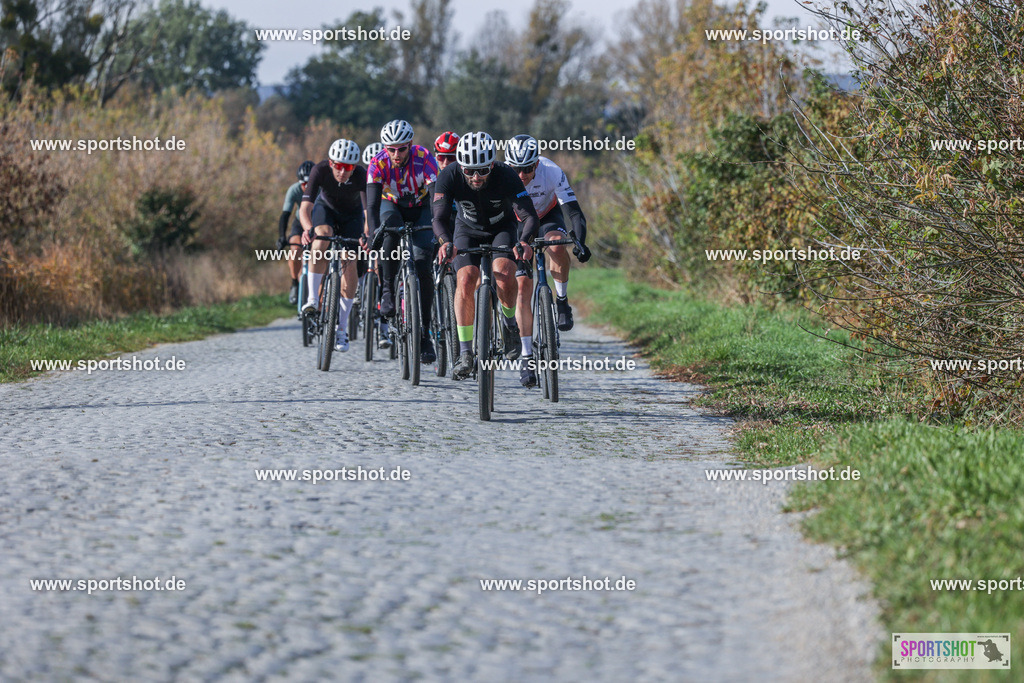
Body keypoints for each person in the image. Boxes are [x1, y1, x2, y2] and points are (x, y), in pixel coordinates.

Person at [432, 131, 540, 381]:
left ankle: (510, 324)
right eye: (469, 171)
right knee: (467, 279)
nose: (476, 177)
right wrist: (445, 242)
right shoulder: (449, 175)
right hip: (465, 230)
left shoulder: (506, 175)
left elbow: (529, 216)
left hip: (500, 229)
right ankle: (466, 351)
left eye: (482, 170)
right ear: (461, 166)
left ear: (492, 164)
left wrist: (524, 241)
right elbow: (438, 218)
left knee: (503, 273)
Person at [503, 134, 592, 386]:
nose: (521, 175)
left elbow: (573, 211)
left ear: (537, 164)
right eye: (516, 169)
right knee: (521, 286)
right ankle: (527, 356)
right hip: (517, 223)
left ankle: (561, 300)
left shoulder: (551, 171)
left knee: (555, 246)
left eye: (528, 169)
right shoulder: (501, 176)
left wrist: (580, 241)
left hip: (546, 215)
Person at [366, 120, 439, 363]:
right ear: (385, 148)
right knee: (389, 233)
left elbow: (437, 199)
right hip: (392, 205)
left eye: (402, 149)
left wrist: (441, 231)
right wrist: (373, 234)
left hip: (421, 208)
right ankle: (387, 290)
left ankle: (425, 335)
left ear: (410, 145)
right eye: (391, 149)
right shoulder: (377, 162)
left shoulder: (424, 157)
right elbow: (373, 206)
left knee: (422, 263)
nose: (397, 154)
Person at [299, 139, 368, 352]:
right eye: (338, 166)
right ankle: (312, 299)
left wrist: (366, 233)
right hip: (325, 210)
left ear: (354, 166)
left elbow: (368, 213)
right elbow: (305, 208)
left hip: (352, 216)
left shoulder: (360, 175)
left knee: (350, 260)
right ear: (331, 163)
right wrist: (308, 229)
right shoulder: (320, 170)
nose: (342, 172)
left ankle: (341, 328)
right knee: (322, 236)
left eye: (348, 167)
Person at [278, 160, 314, 304]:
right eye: (303, 184)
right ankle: (294, 283)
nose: (306, 187)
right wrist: (281, 237)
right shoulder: (294, 190)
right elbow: (285, 214)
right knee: (294, 248)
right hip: (300, 222)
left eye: (309, 184)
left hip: (318, 222)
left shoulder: (322, 189)